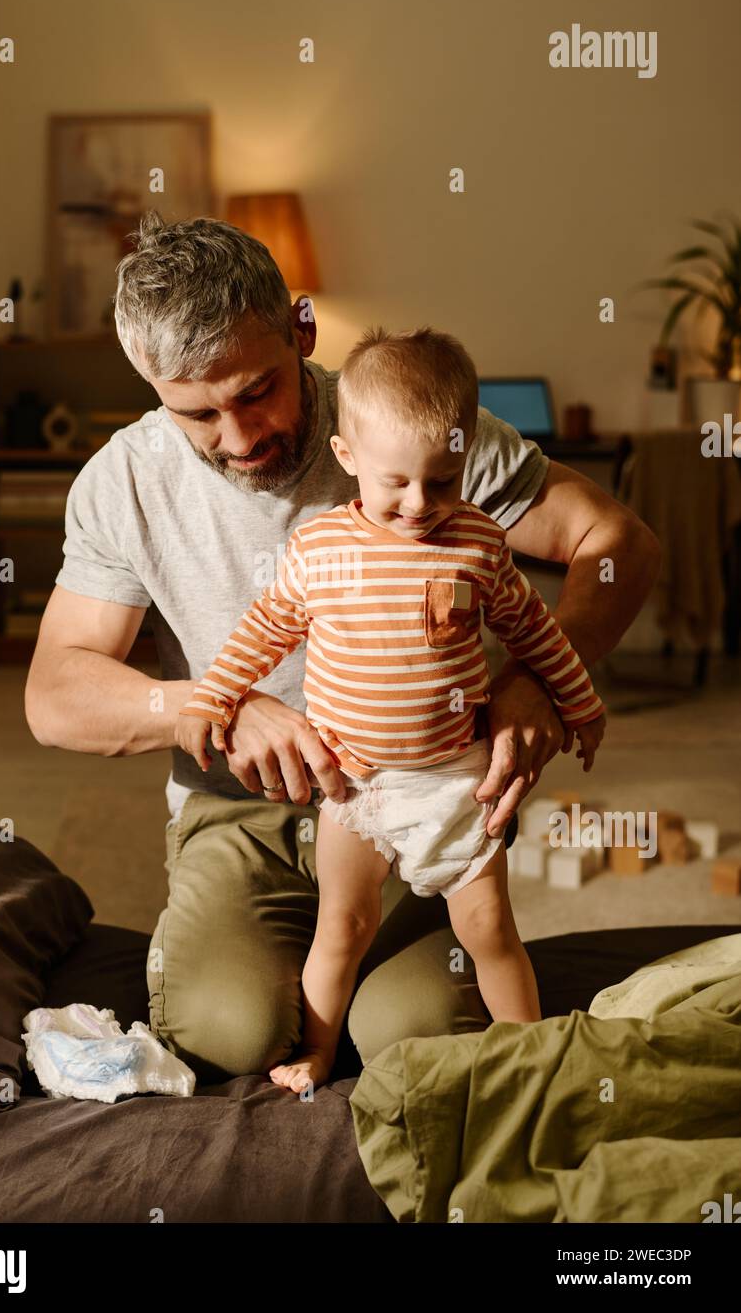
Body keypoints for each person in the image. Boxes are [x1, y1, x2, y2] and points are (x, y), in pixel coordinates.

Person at [25, 212, 659, 1085]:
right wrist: (215, 706)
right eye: (197, 413)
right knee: (230, 1033)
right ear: (152, 388)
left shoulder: (410, 430)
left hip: (406, 800)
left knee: (420, 1036)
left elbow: (620, 541)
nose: (241, 437)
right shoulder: (125, 480)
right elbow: (53, 694)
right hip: (235, 817)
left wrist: (541, 688)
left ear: (303, 328)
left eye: (257, 390)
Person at [177, 326, 607, 1091]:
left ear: (466, 458)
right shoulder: (320, 551)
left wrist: (578, 703)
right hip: (357, 784)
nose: (418, 505)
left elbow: (534, 632)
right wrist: (217, 695)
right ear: (348, 459)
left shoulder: (476, 543)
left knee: (489, 929)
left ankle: (537, 1059)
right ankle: (315, 1047)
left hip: (455, 782)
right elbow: (265, 629)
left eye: (442, 481)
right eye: (396, 482)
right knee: (341, 926)